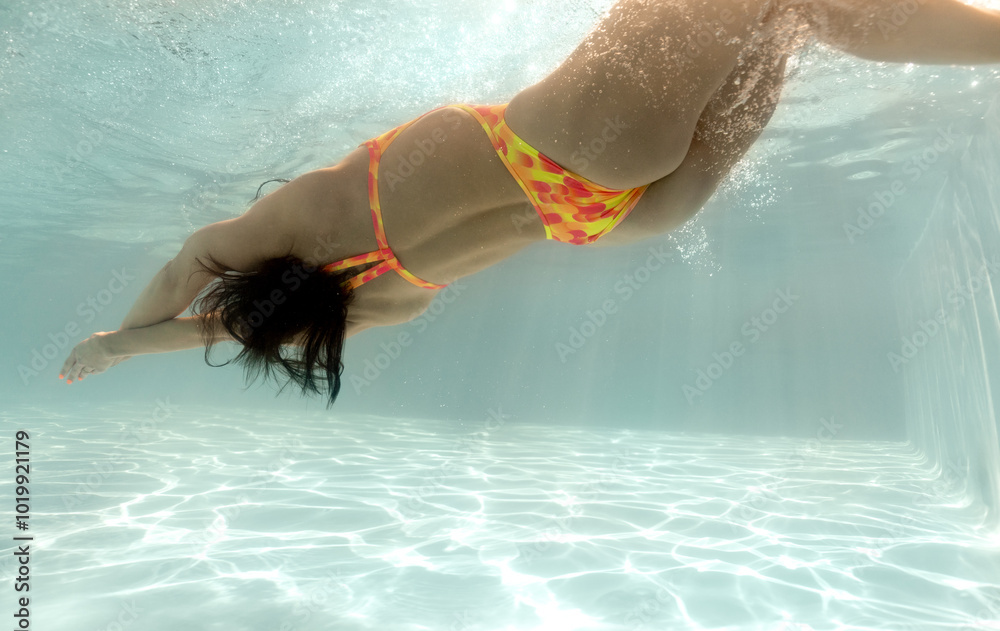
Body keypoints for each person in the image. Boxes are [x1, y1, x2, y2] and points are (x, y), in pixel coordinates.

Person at [59, 0, 1000, 404]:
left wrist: (126, 350)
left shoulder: (367, 306)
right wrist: (114, 336)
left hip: (619, 215)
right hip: (574, 140)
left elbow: (222, 327)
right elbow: (186, 275)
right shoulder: (296, 219)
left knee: (790, 20)